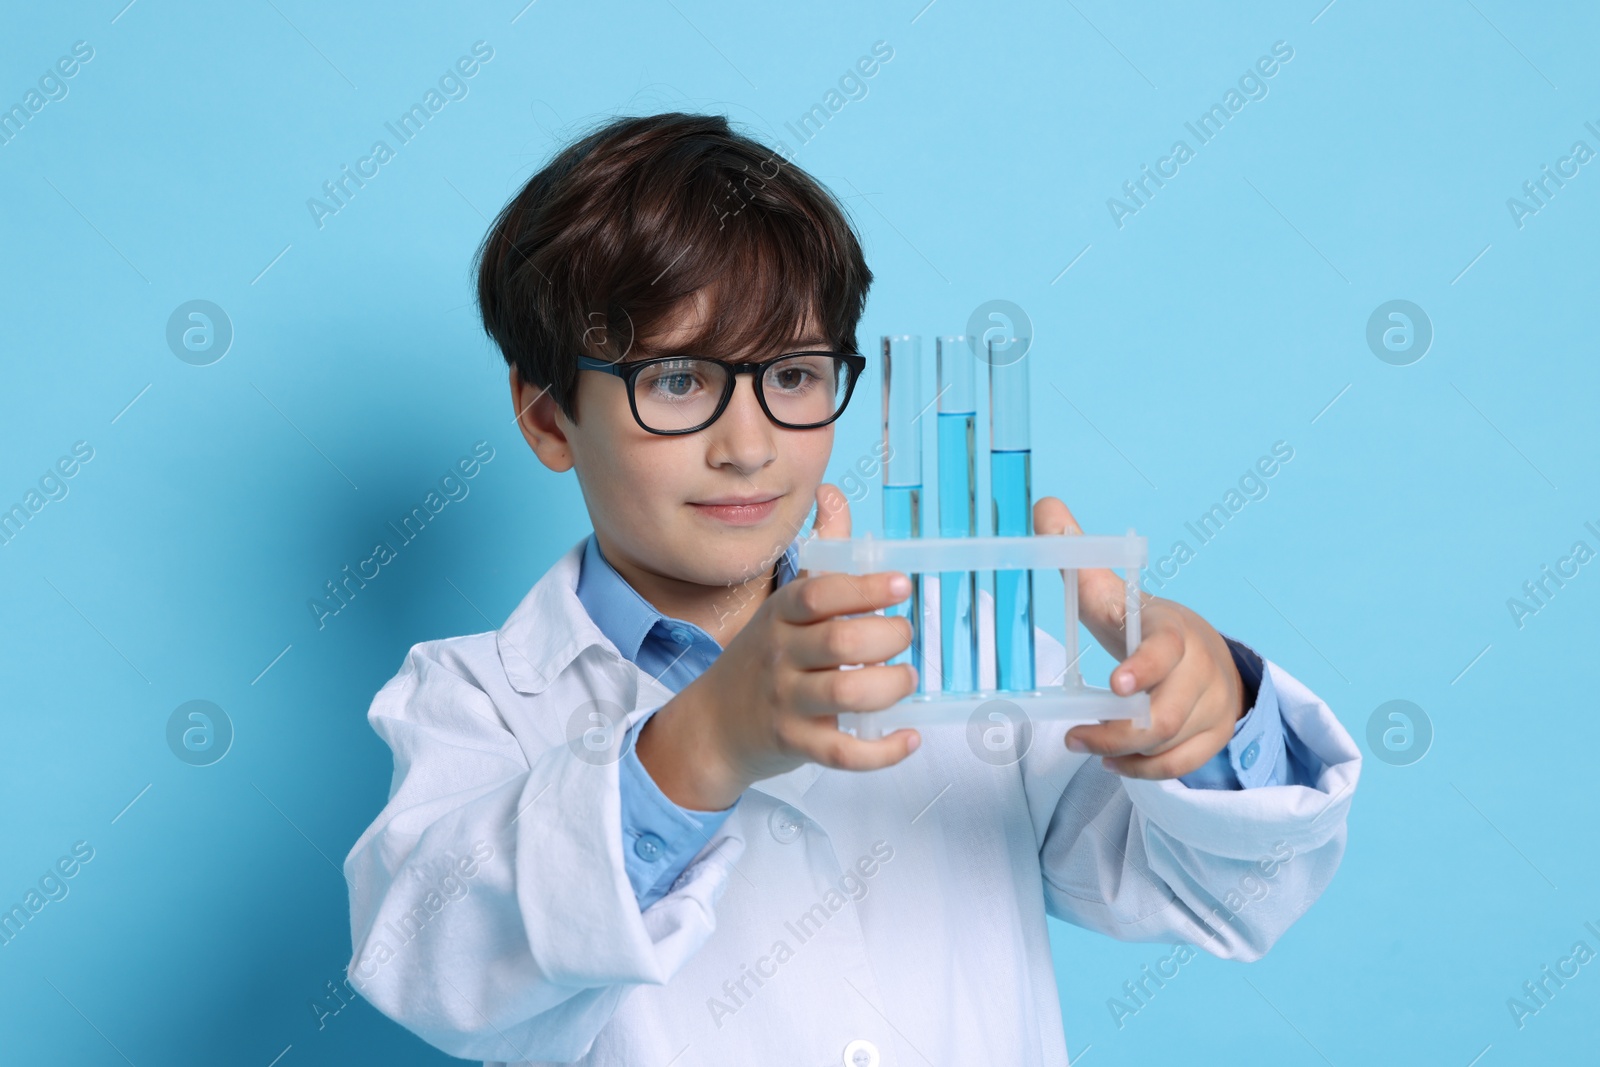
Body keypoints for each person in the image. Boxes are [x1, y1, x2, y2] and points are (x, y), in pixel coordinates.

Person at [341, 111, 1361, 1067]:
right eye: (678, 380)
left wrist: (1210, 716)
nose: (747, 447)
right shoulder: (473, 701)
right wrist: (705, 741)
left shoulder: (959, 645)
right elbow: (433, 962)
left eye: (790, 375)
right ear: (549, 416)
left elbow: (1223, 895)